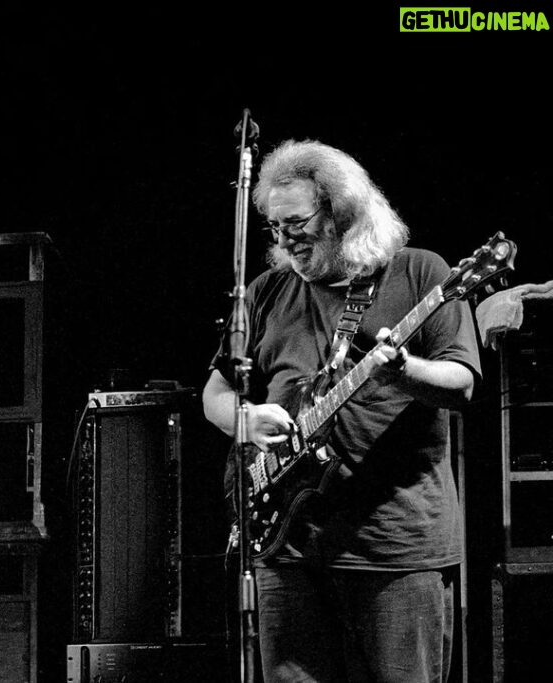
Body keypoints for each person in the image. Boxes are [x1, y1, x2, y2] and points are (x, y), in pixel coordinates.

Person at [202, 139, 480, 682]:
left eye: (297, 224)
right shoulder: (266, 291)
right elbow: (214, 391)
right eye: (275, 228)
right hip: (287, 546)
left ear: (342, 214)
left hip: (395, 551)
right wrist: (244, 419)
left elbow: (463, 382)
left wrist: (404, 371)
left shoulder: (421, 274)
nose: (285, 241)